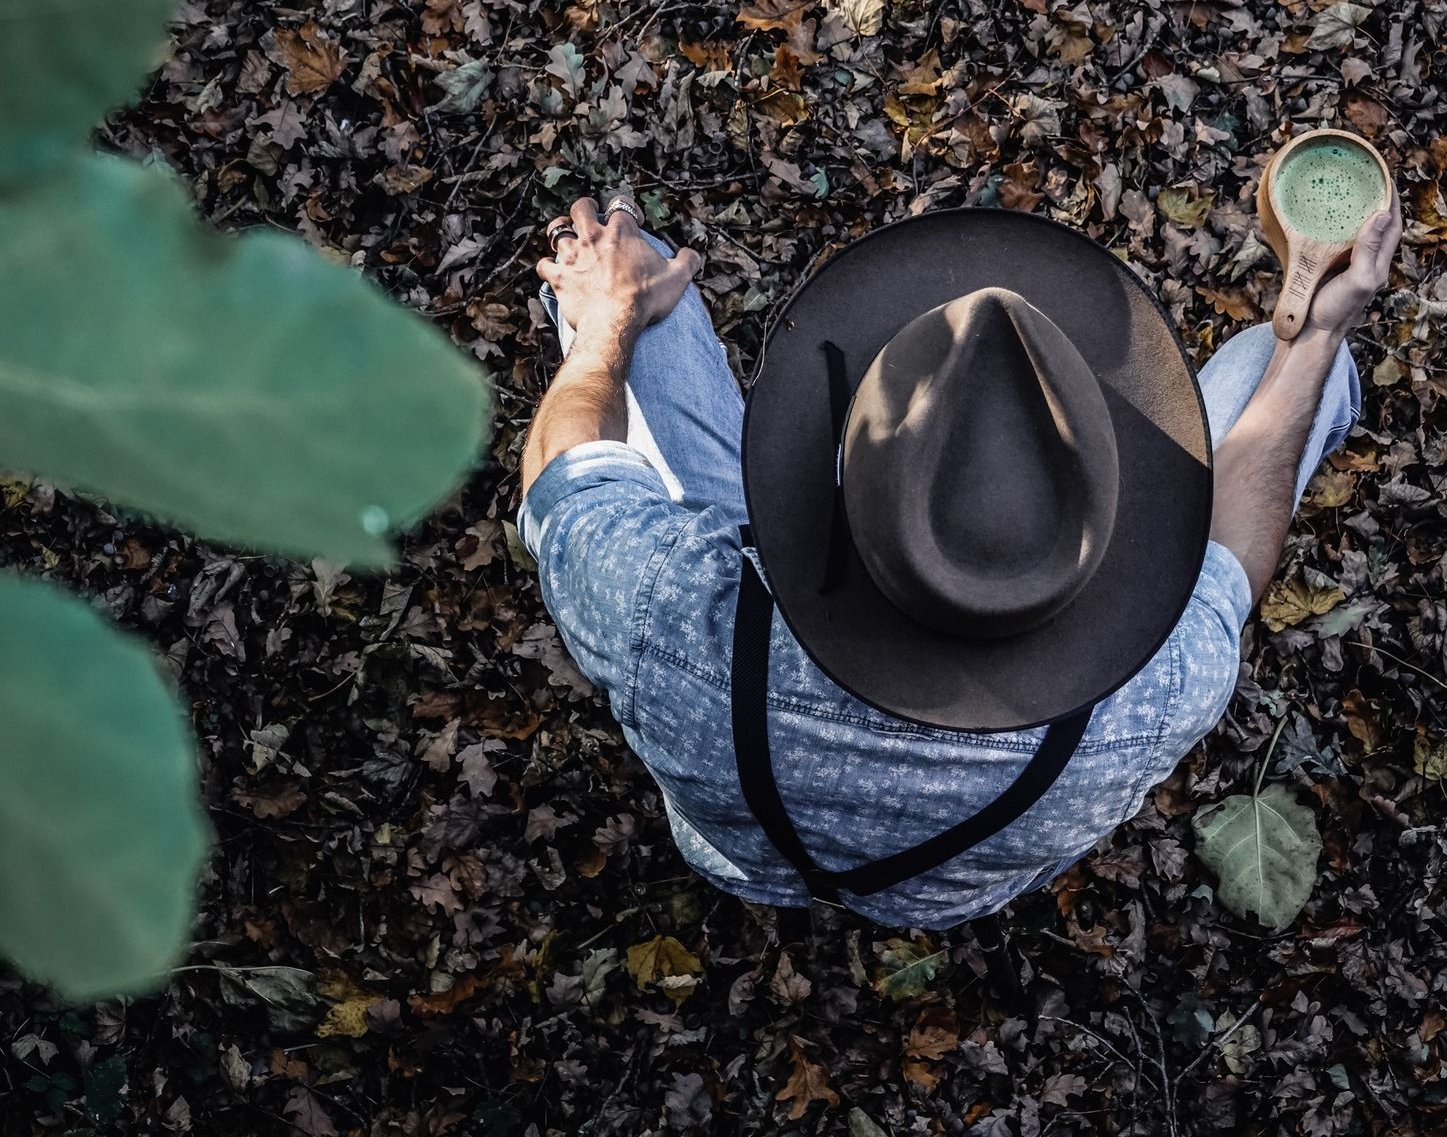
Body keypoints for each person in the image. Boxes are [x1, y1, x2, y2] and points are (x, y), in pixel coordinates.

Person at [519, 189, 1400, 932]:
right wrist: (1317, 339)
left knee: (637, 275)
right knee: (1287, 365)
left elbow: (567, 481)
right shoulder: (1159, 693)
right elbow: (1232, 558)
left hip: (738, 856)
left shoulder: (671, 616)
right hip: (940, 898)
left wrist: (607, 321)